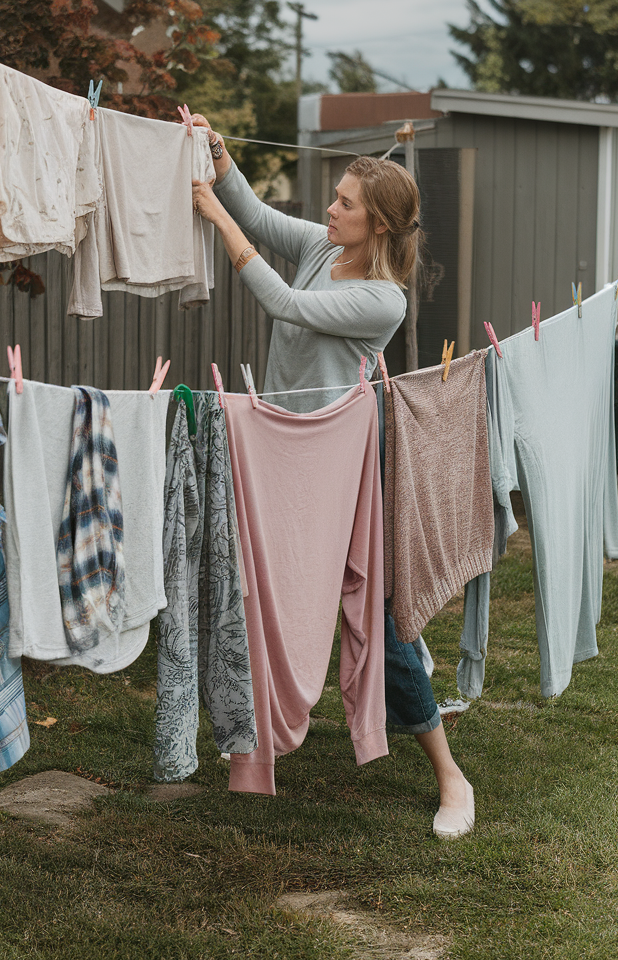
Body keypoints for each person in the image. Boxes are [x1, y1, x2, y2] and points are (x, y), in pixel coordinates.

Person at [189, 114, 474, 839]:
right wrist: (218, 151)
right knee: (265, 583)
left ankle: (451, 775)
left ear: (376, 225)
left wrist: (217, 219)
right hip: (285, 445)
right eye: (336, 197)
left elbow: (283, 302)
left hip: (343, 457)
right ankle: (262, 735)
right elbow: (257, 213)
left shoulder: (384, 300)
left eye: (345, 202)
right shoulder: (323, 247)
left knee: (374, 617)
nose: (330, 209)